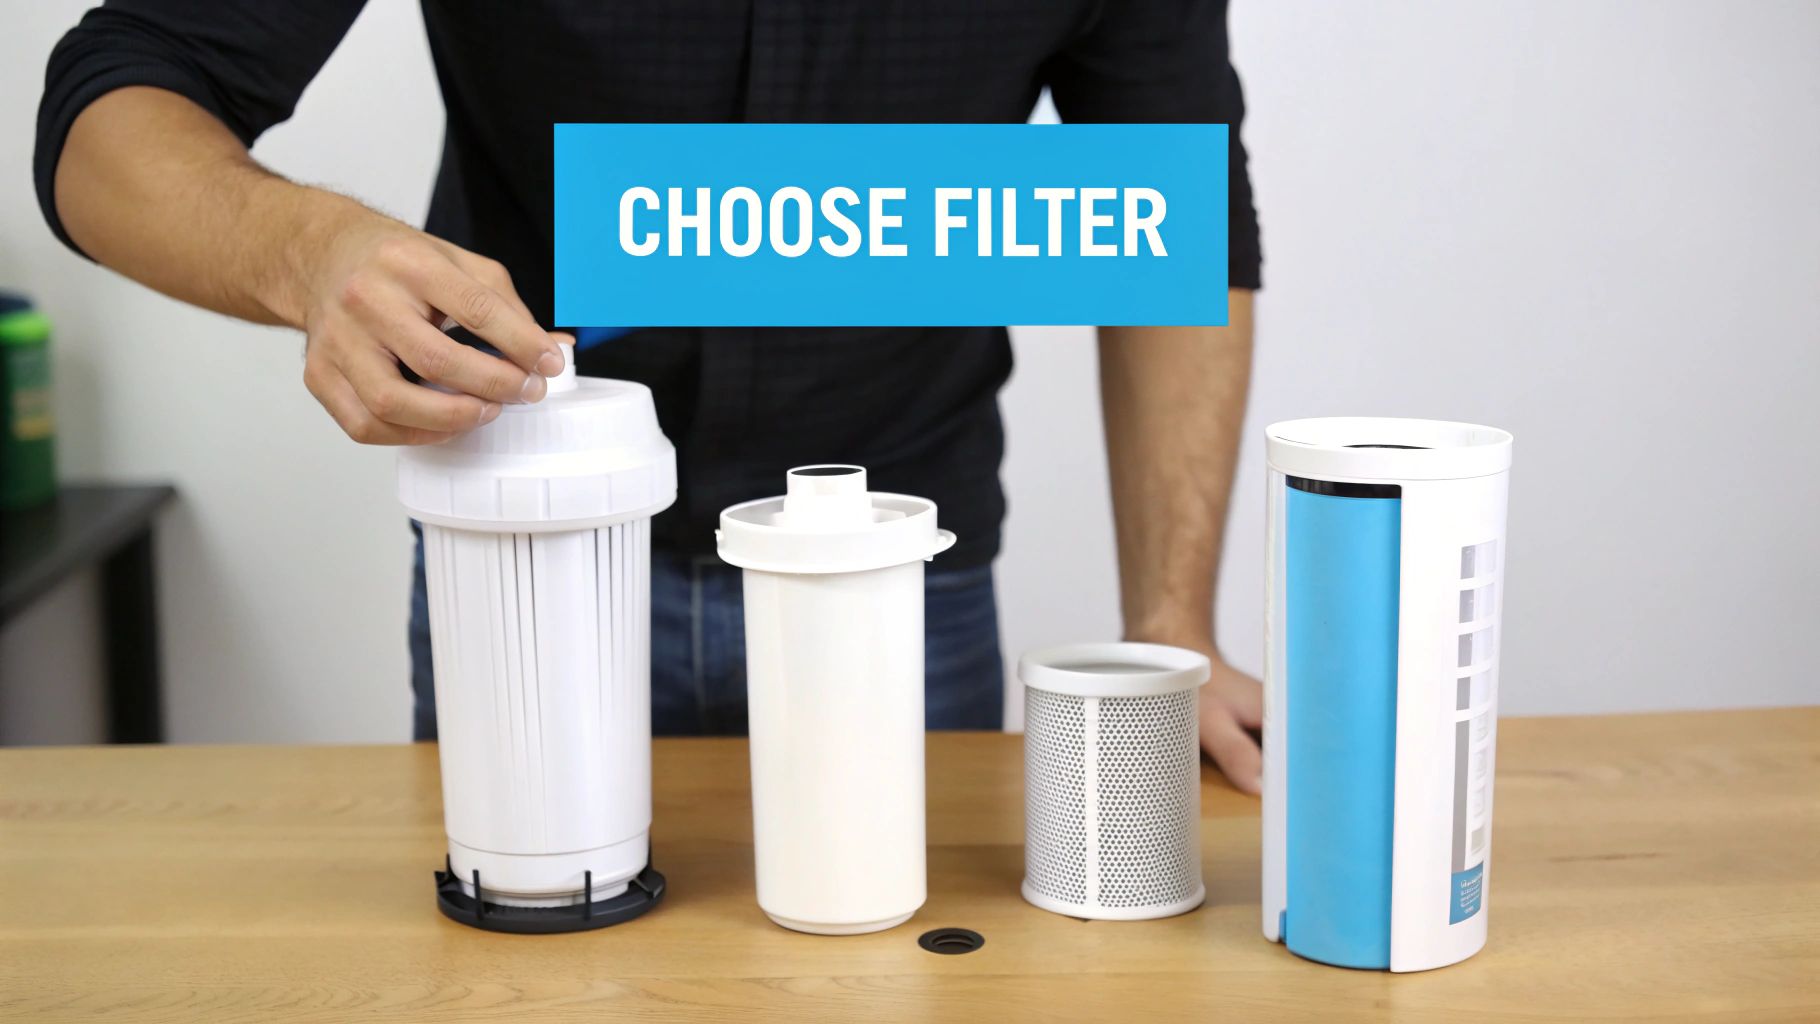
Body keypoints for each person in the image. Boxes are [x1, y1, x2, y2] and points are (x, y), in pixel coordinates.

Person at [35, 1, 1266, 791]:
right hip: (527, 552)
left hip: (887, 570)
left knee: (883, 965)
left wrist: (1172, 624)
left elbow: (1180, 208)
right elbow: (112, 102)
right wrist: (308, 252)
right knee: (507, 959)